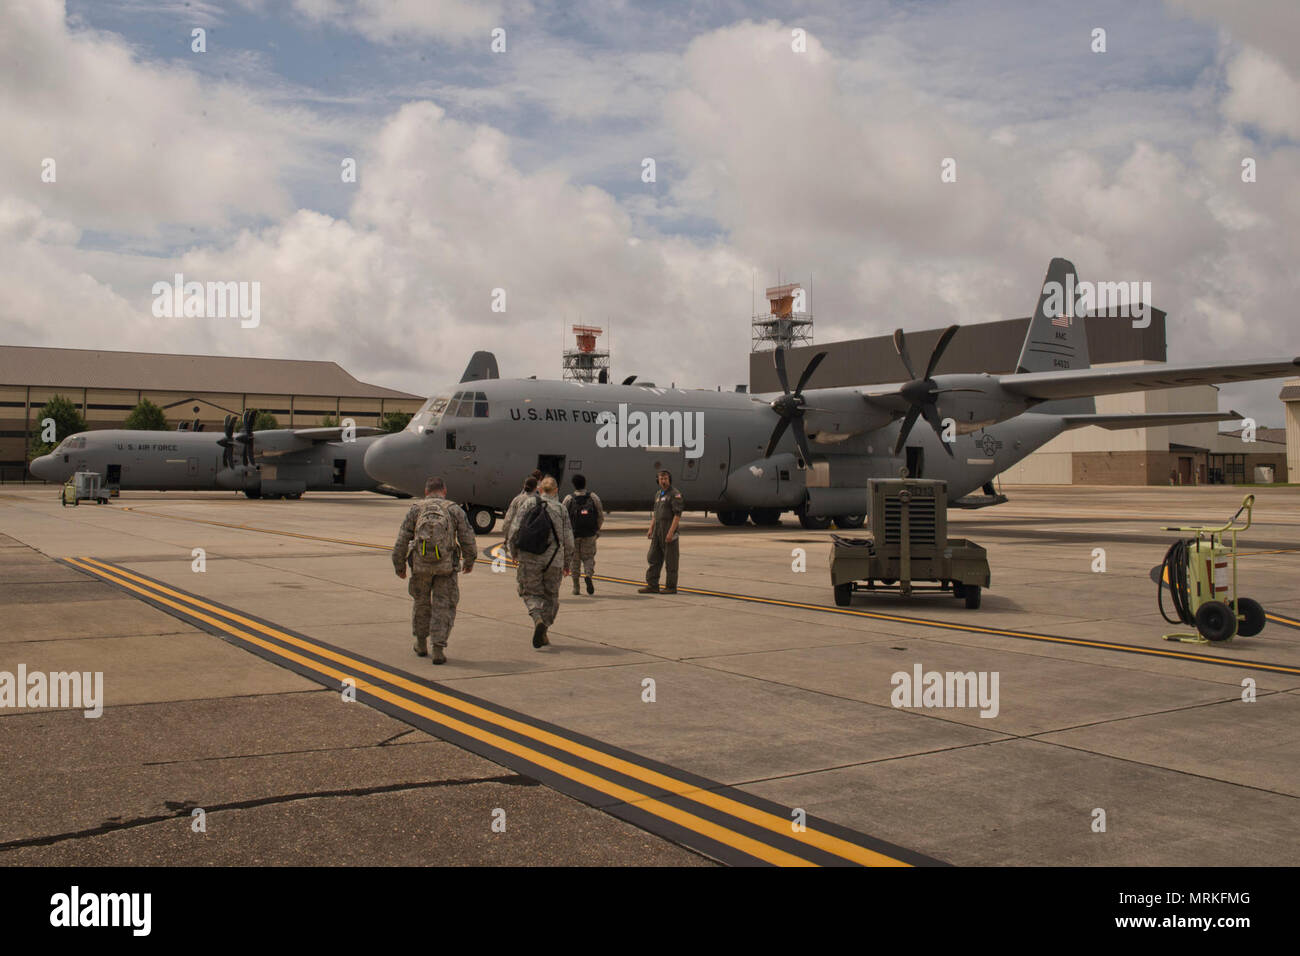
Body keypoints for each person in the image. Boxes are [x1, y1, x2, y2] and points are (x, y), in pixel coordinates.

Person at [392, 476, 476, 665]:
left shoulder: (416, 509)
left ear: (426, 491)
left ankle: (421, 643)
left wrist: (399, 565)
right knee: (443, 606)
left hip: (420, 567)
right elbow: (467, 536)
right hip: (446, 567)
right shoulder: (453, 509)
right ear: (444, 491)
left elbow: (402, 539)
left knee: (421, 604)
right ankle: (438, 648)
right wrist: (470, 560)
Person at [509, 475, 575, 648]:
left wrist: (514, 552)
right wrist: (567, 563)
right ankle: (544, 627)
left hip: (529, 557)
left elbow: (514, 529)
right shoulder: (561, 509)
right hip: (553, 560)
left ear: (539, 490)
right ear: (556, 490)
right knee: (551, 596)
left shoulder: (529, 504)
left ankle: (537, 617)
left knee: (529, 592)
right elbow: (569, 540)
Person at [639, 469, 682, 594]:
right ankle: (652, 585)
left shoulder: (675, 494)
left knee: (671, 560)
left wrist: (671, 532)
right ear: (658, 480)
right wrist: (651, 527)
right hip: (658, 531)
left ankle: (671, 587)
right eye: (661, 479)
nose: (663, 481)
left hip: (668, 529)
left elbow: (677, 515)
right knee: (653, 557)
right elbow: (656, 513)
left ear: (669, 480)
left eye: (666, 479)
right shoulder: (658, 494)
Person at [562, 473, 605, 595]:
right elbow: (600, 515)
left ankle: (576, 587)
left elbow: (563, 517)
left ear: (574, 485)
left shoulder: (568, 499)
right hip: (589, 534)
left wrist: (566, 535)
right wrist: (596, 530)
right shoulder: (593, 497)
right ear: (585, 483)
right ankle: (588, 575)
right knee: (588, 557)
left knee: (574, 561)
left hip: (573, 535)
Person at [501, 471, 542, 559]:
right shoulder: (539, 501)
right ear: (536, 488)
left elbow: (508, 520)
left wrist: (507, 538)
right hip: (533, 540)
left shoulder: (517, 499)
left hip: (519, 538)